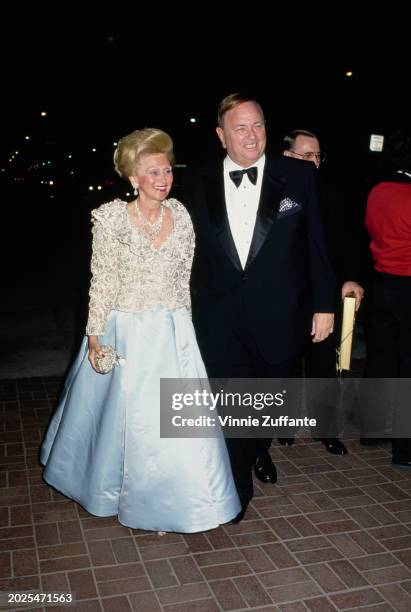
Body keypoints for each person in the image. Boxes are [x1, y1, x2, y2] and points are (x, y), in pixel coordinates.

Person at [40, 128, 241, 533]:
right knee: (122, 419)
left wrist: (186, 327)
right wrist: (95, 335)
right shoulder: (111, 217)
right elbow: (102, 280)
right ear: (133, 177)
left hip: (171, 332)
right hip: (125, 329)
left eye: (167, 170)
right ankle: (113, 490)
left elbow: (184, 277)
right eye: (153, 172)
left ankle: (171, 498)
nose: (164, 178)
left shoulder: (181, 215)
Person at [183, 94, 335, 519]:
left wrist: (325, 306)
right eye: (240, 128)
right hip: (219, 316)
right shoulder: (195, 180)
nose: (252, 136)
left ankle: (257, 449)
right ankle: (236, 492)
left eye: (259, 125)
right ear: (221, 135)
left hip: (281, 314)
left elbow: (318, 244)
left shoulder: (300, 175)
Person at [282, 129, 365, 455]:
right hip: (284, 296)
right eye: (307, 155)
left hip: (323, 295)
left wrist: (351, 278)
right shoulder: (273, 191)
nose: (314, 162)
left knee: (323, 367)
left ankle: (326, 430)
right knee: (284, 363)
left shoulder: (331, 193)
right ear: (288, 156)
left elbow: (349, 241)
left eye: (318, 156)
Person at [361, 130, 411, 467]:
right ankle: (405, 451)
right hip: (408, 286)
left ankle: (372, 430)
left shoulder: (377, 190)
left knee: (381, 359)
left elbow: (368, 228)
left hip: (382, 283)